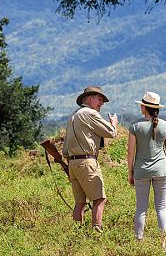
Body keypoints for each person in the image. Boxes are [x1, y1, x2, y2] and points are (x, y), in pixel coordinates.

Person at [62, 86, 118, 233]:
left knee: (80, 203)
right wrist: (114, 123)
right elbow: (111, 133)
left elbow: (65, 148)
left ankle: (76, 233)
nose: (101, 103)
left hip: (72, 163)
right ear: (89, 99)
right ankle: (96, 232)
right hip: (87, 162)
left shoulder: (73, 115)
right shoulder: (90, 113)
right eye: (99, 99)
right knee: (99, 199)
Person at [127, 92, 166, 250]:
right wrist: (164, 165)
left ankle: (139, 241)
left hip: (141, 171)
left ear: (143, 107)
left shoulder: (135, 126)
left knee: (141, 208)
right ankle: (163, 242)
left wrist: (130, 173)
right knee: (161, 207)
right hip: (161, 170)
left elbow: (130, 153)